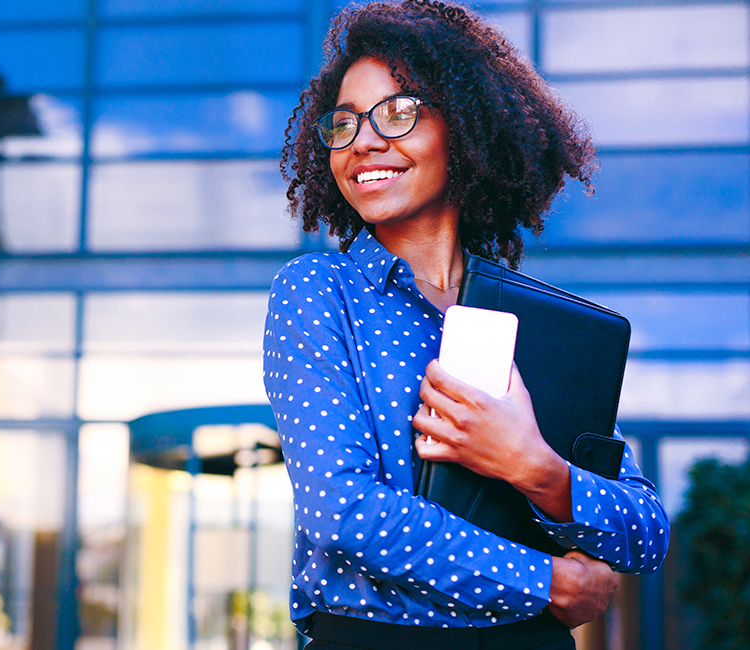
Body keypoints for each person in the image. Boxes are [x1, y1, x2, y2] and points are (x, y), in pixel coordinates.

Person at [262, 1, 670, 648]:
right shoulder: (320, 293)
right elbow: (341, 510)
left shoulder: (534, 325)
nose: (364, 141)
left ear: (467, 125)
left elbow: (645, 530)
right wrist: (547, 579)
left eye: (398, 112)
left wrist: (534, 466)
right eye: (343, 124)